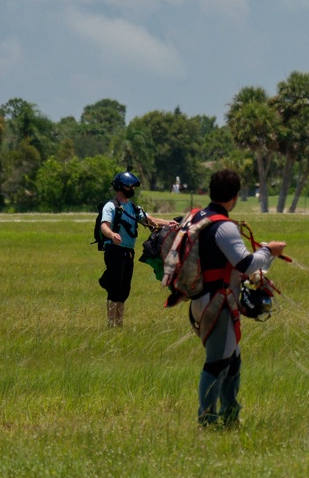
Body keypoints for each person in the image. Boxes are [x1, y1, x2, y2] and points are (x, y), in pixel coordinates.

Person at [189, 168, 286, 428]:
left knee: (232, 361)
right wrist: (269, 250)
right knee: (217, 363)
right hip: (217, 301)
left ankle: (230, 416)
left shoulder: (198, 217)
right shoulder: (224, 226)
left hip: (201, 299)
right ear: (234, 197)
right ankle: (208, 421)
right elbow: (246, 264)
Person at [98, 169, 176, 328]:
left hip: (128, 253)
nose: (132, 189)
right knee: (115, 287)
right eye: (129, 186)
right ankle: (111, 324)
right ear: (120, 187)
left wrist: (168, 223)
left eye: (133, 187)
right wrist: (112, 235)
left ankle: (119, 325)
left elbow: (149, 220)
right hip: (114, 250)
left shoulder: (133, 208)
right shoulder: (110, 206)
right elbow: (104, 227)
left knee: (124, 289)